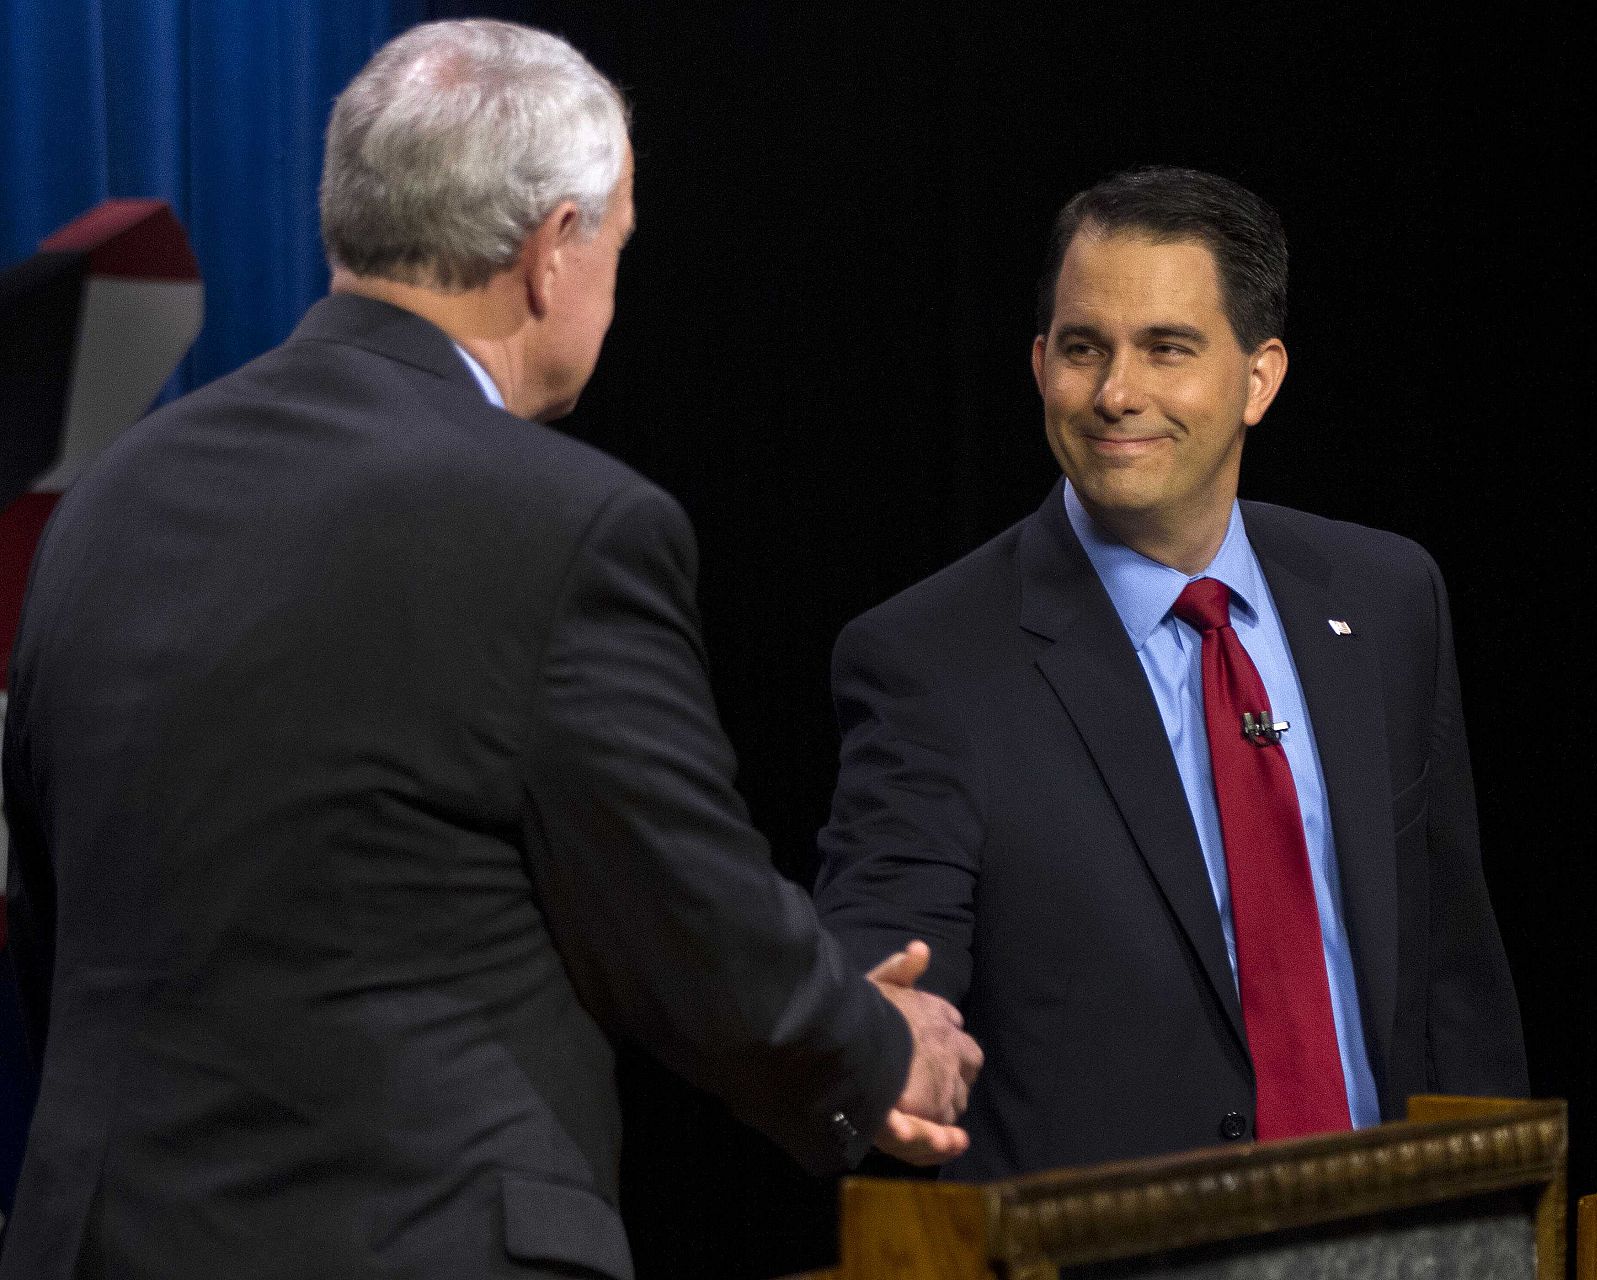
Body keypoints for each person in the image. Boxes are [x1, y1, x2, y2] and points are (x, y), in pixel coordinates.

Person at [0, 20, 980, 1279]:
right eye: (617, 242)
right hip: (415, 1238)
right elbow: (686, 915)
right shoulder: (562, 523)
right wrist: (880, 1044)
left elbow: (58, 914)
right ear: (551, 249)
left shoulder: (114, 497)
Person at [814, 166, 1526, 1181]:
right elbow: (887, 959)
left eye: (1166, 348)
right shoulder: (927, 660)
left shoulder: (1385, 598)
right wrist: (867, 1044)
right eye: (1082, 348)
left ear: (1258, 376)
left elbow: (1454, 981)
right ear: (1038, 363)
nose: (1115, 393)